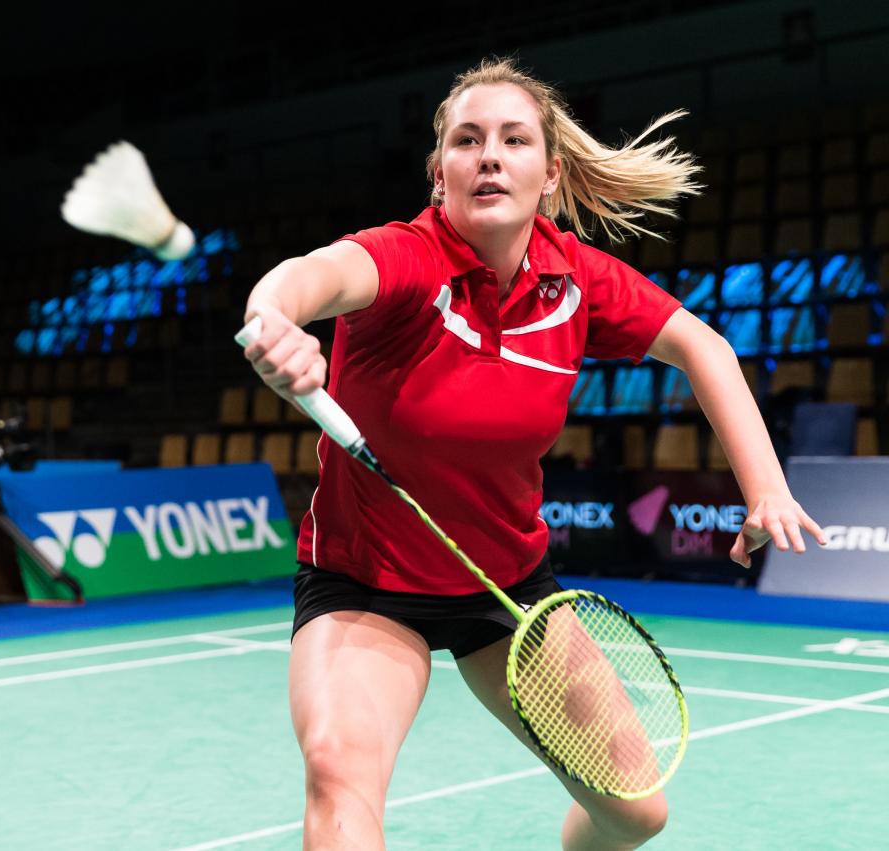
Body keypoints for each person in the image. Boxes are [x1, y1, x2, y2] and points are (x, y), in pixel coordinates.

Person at [241, 57, 826, 850]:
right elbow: (309, 276)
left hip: (505, 588)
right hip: (366, 585)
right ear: (439, 172)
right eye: (467, 140)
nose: (489, 155)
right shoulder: (408, 259)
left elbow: (703, 346)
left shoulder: (575, 281)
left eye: (514, 140)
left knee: (634, 810)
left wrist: (767, 489)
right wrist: (275, 318)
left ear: (549, 175)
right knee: (341, 770)